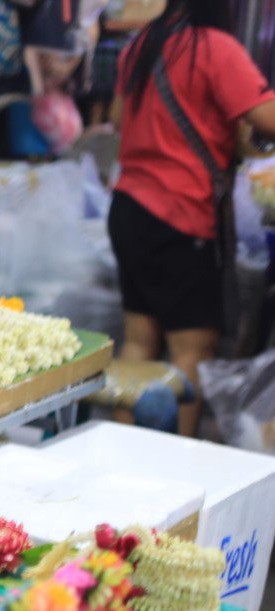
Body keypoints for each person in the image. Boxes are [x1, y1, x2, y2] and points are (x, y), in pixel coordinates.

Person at [109, 0, 275, 436]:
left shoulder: (141, 43)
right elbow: (268, 117)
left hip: (129, 207)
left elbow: (117, 118)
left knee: (139, 341)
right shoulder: (214, 47)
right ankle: (178, 457)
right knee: (192, 350)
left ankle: (120, 447)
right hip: (180, 214)